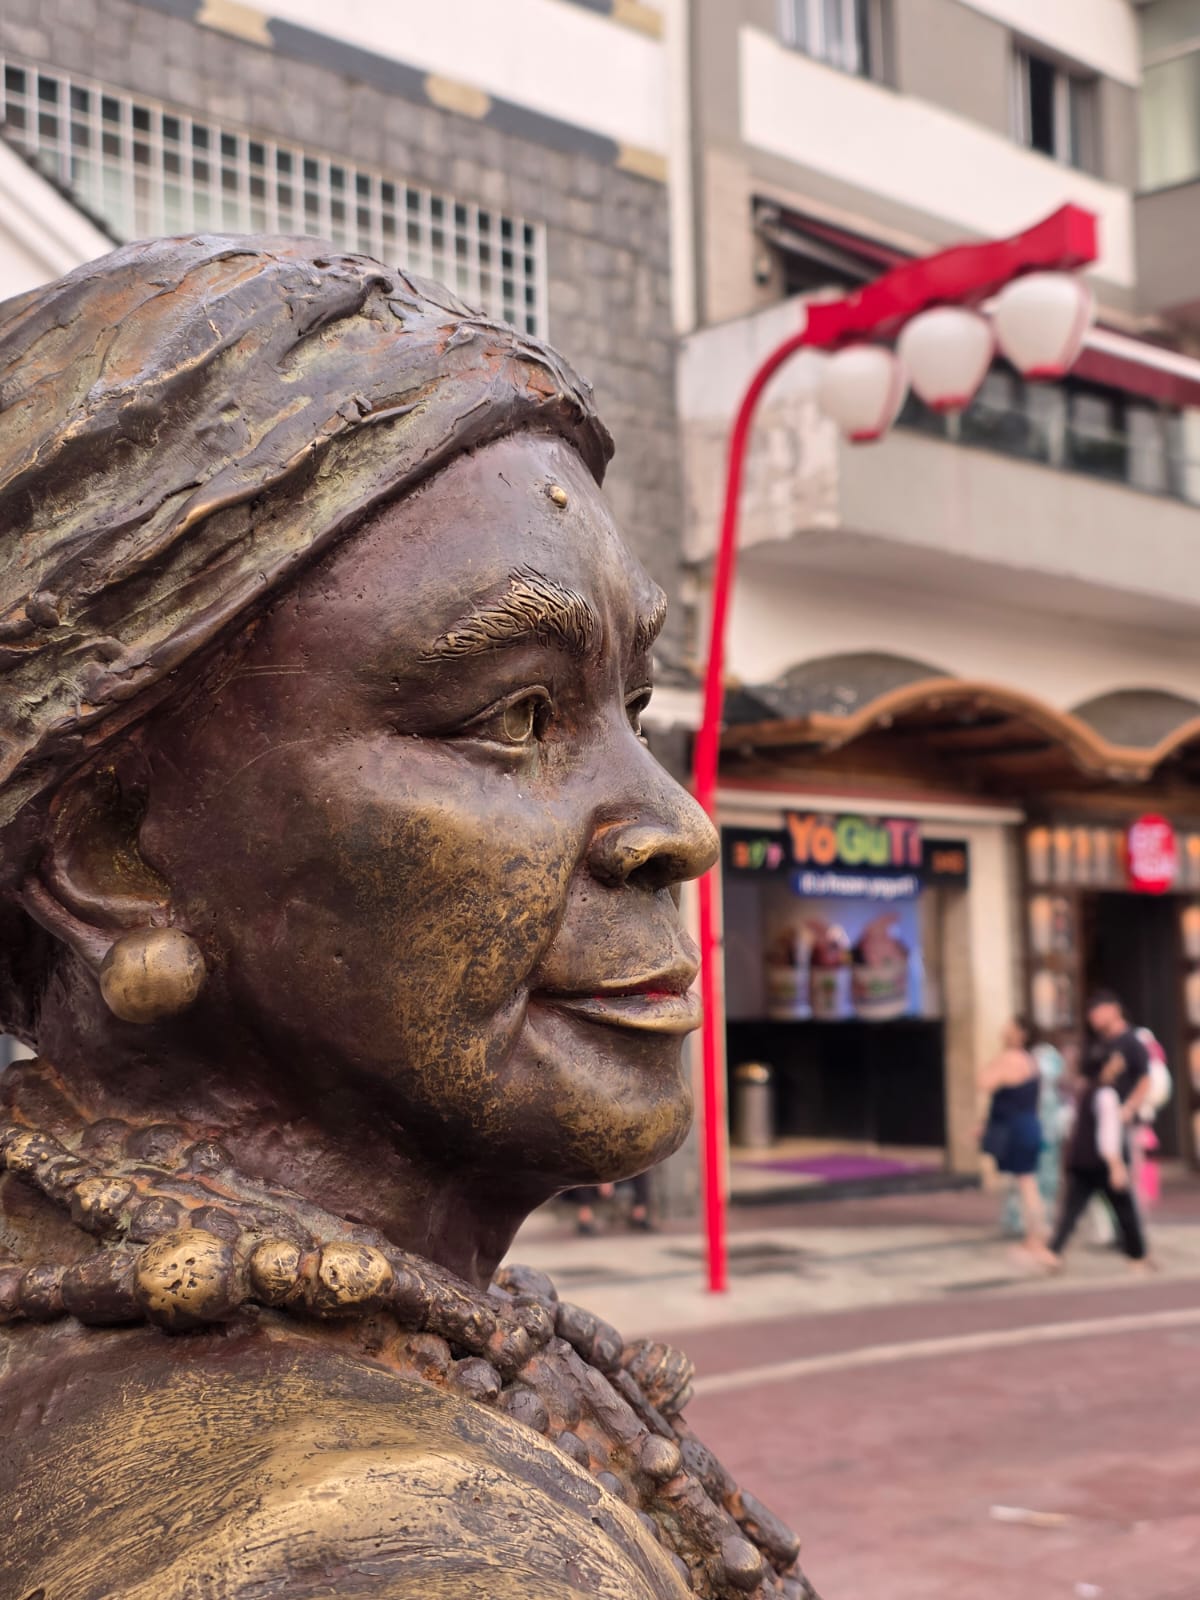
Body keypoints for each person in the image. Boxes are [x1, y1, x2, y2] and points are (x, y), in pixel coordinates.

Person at [0, 239, 812, 1599]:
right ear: (116, 854)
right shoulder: (397, 1555)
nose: (675, 826)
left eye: (635, 708)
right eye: (514, 718)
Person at [1046, 1047, 1147, 1268]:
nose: (1120, 1064)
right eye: (1116, 1060)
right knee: (1124, 1208)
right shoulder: (1106, 1094)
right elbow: (1107, 1133)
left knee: (1072, 1210)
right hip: (1101, 1162)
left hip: (1081, 1161)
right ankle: (1138, 1257)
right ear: (1106, 1065)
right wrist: (1115, 1164)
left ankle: (1053, 1252)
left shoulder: (1087, 1090)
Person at [979, 1017, 1047, 1252]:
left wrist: (997, 1059)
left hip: (1016, 1129)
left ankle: (1035, 1236)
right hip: (1030, 1125)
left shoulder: (1010, 1058)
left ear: (1020, 1034)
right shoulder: (1031, 1060)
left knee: (1026, 1184)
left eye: (1010, 1027)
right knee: (1029, 1183)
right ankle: (1037, 1231)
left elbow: (984, 1082)